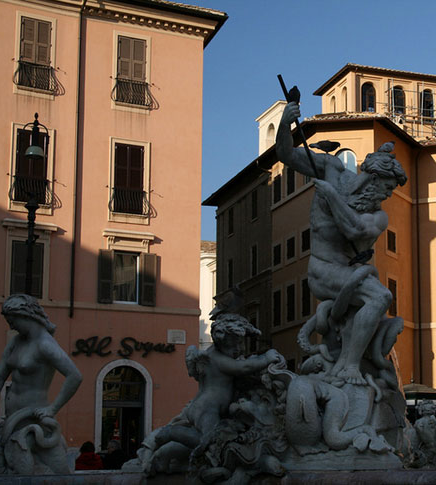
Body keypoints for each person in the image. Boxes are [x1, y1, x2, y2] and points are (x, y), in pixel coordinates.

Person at [276, 101, 408, 385]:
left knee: (379, 298)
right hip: (323, 270)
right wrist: (286, 124)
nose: (387, 195)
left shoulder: (378, 216)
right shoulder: (332, 170)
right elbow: (285, 154)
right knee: (380, 297)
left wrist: (332, 198)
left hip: (350, 274)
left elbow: (355, 230)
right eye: (387, 187)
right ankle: (348, 366)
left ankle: (354, 360)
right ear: (373, 178)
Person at [146, 313, 282, 473]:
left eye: (240, 343)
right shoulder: (218, 359)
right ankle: (172, 433)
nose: (239, 349)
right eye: (235, 344)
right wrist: (265, 359)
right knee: (211, 441)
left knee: (202, 443)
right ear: (222, 341)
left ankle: (164, 455)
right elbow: (243, 368)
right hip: (208, 408)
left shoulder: (210, 354)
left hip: (201, 406)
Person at [0, 294, 83, 474]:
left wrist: (52, 409)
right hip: (12, 421)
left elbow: (75, 375)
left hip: (36, 421)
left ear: (25, 316)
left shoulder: (45, 345)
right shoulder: (15, 342)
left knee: (59, 474)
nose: (10, 326)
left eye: (12, 321)